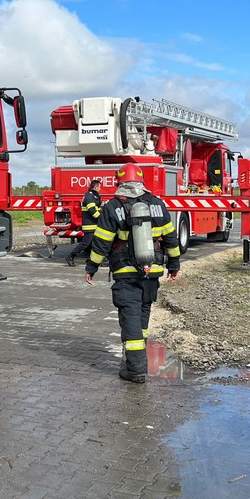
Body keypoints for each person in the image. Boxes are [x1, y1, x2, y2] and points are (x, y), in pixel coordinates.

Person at [84, 163, 180, 383]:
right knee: (142, 319)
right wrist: (174, 265)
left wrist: (92, 267)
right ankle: (134, 362)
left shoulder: (113, 206)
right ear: (141, 181)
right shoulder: (158, 204)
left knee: (130, 321)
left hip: (126, 273)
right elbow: (171, 237)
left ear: (119, 182)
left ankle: (135, 370)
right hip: (152, 272)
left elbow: (102, 242)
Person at [66, 179, 102, 266]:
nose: (100, 189)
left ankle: (92, 260)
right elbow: (92, 211)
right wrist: (102, 218)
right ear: (95, 187)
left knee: (95, 243)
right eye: (99, 187)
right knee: (85, 243)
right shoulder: (90, 197)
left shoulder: (93, 196)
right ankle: (70, 256)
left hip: (93, 225)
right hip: (90, 225)